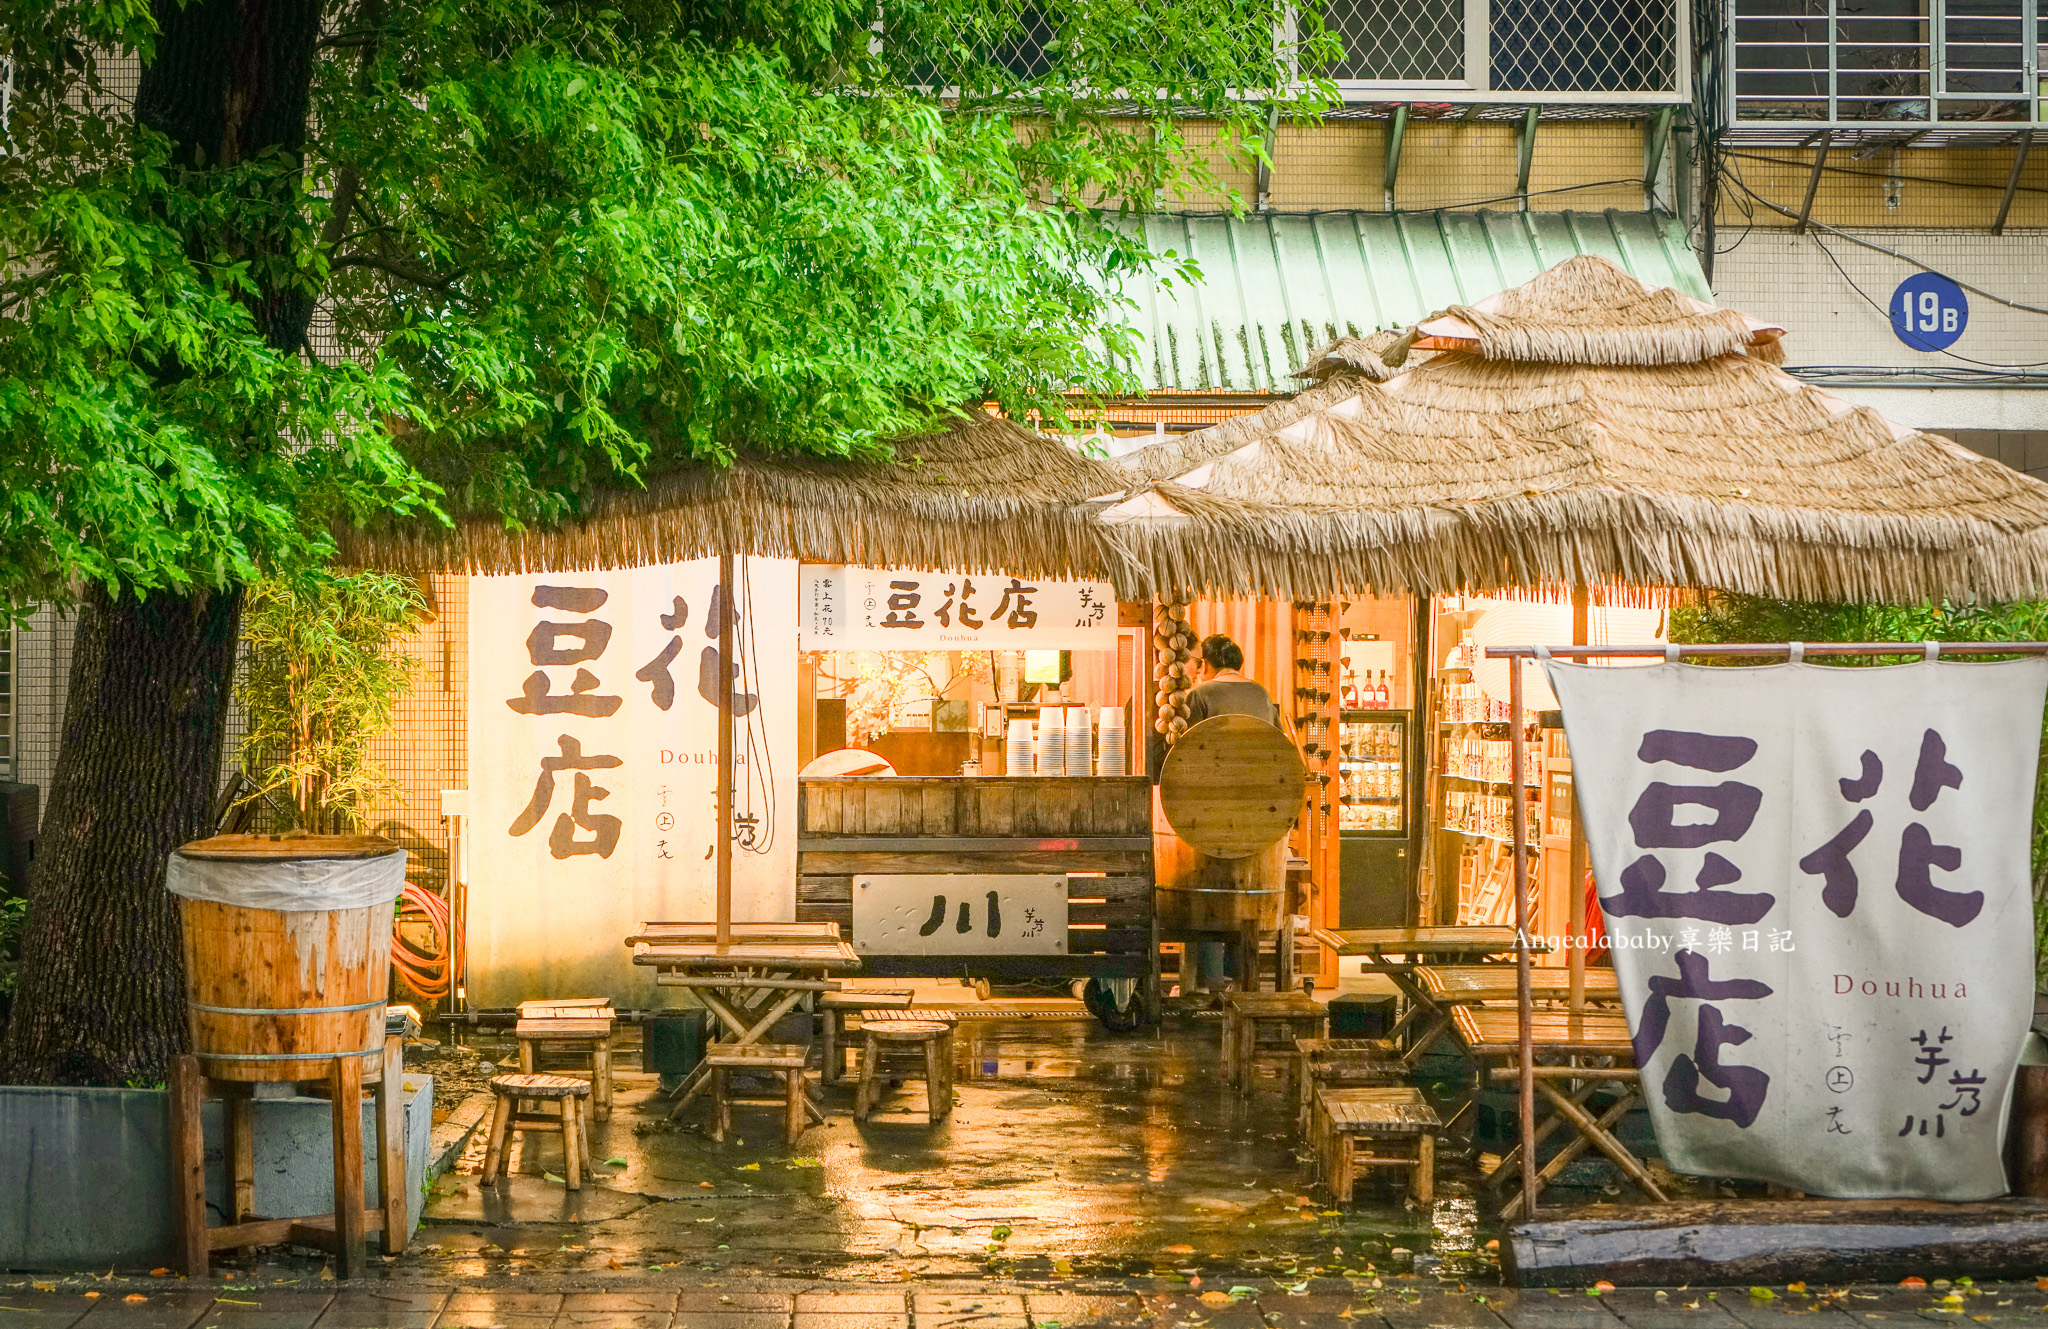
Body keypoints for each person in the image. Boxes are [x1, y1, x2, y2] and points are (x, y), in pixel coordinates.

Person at [1148, 633, 1281, 780]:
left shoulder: (1200, 693)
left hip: (1216, 784)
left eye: (1199, 663)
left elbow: (1187, 750)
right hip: (1263, 780)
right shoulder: (1262, 693)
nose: (1198, 671)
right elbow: (1280, 740)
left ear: (1204, 664)